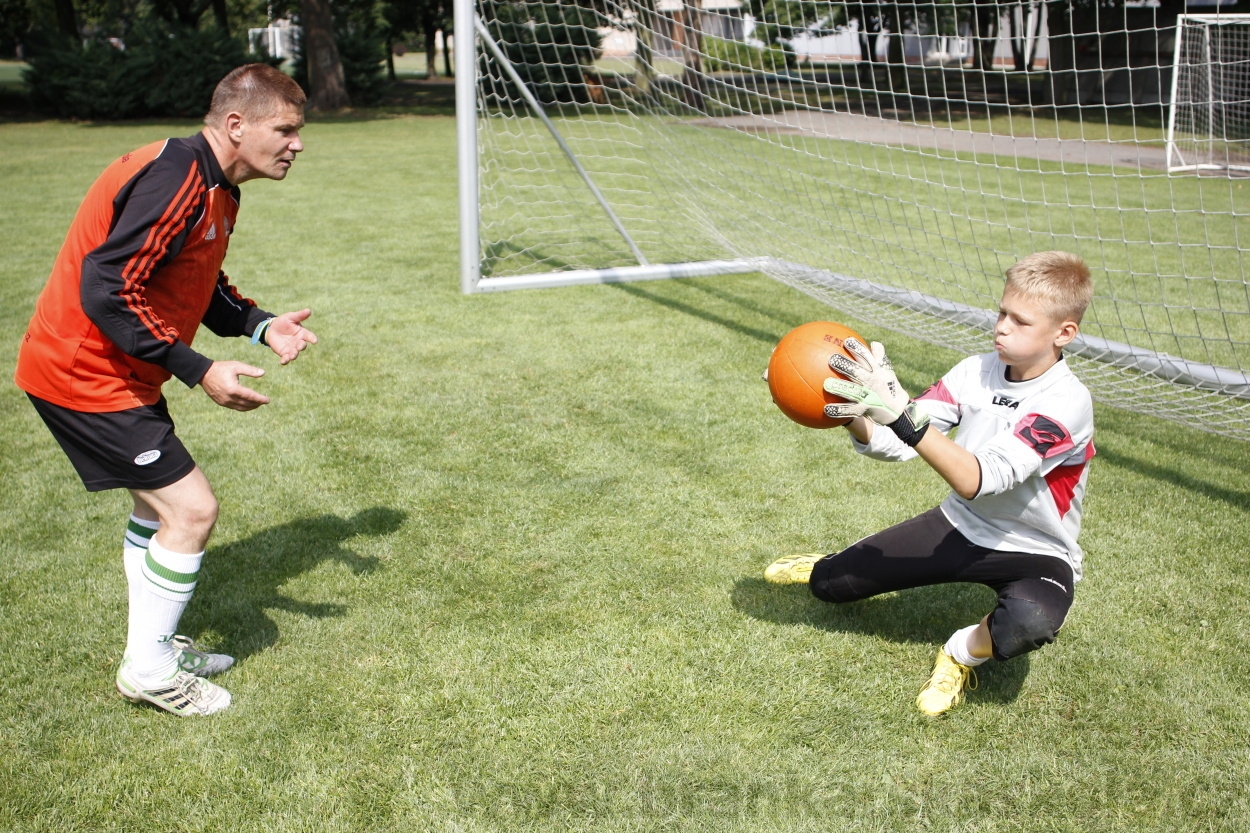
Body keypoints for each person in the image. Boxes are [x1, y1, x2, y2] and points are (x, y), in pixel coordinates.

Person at [14, 64, 318, 717]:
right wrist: (199, 368)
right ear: (235, 125)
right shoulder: (175, 179)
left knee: (156, 512)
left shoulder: (216, 187)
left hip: (115, 367)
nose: (297, 143)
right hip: (82, 370)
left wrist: (262, 325)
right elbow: (108, 289)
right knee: (193, 510)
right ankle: (149, 669)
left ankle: (153, 645)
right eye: (285, 128)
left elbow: (196, 282)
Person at [764, 251, 1095, 717]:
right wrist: (855, 413)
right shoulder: (973, 372)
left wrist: (901, 411)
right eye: (1001, 312)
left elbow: (979, 479)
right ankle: (830, 563)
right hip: (958, 526)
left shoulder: (1067, 401)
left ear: (1064, 333)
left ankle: (960, 652)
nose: (1001, 326)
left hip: (1037, 549)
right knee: (828, 585)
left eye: (1020, 321)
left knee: (1029, 622)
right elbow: (896, 441)